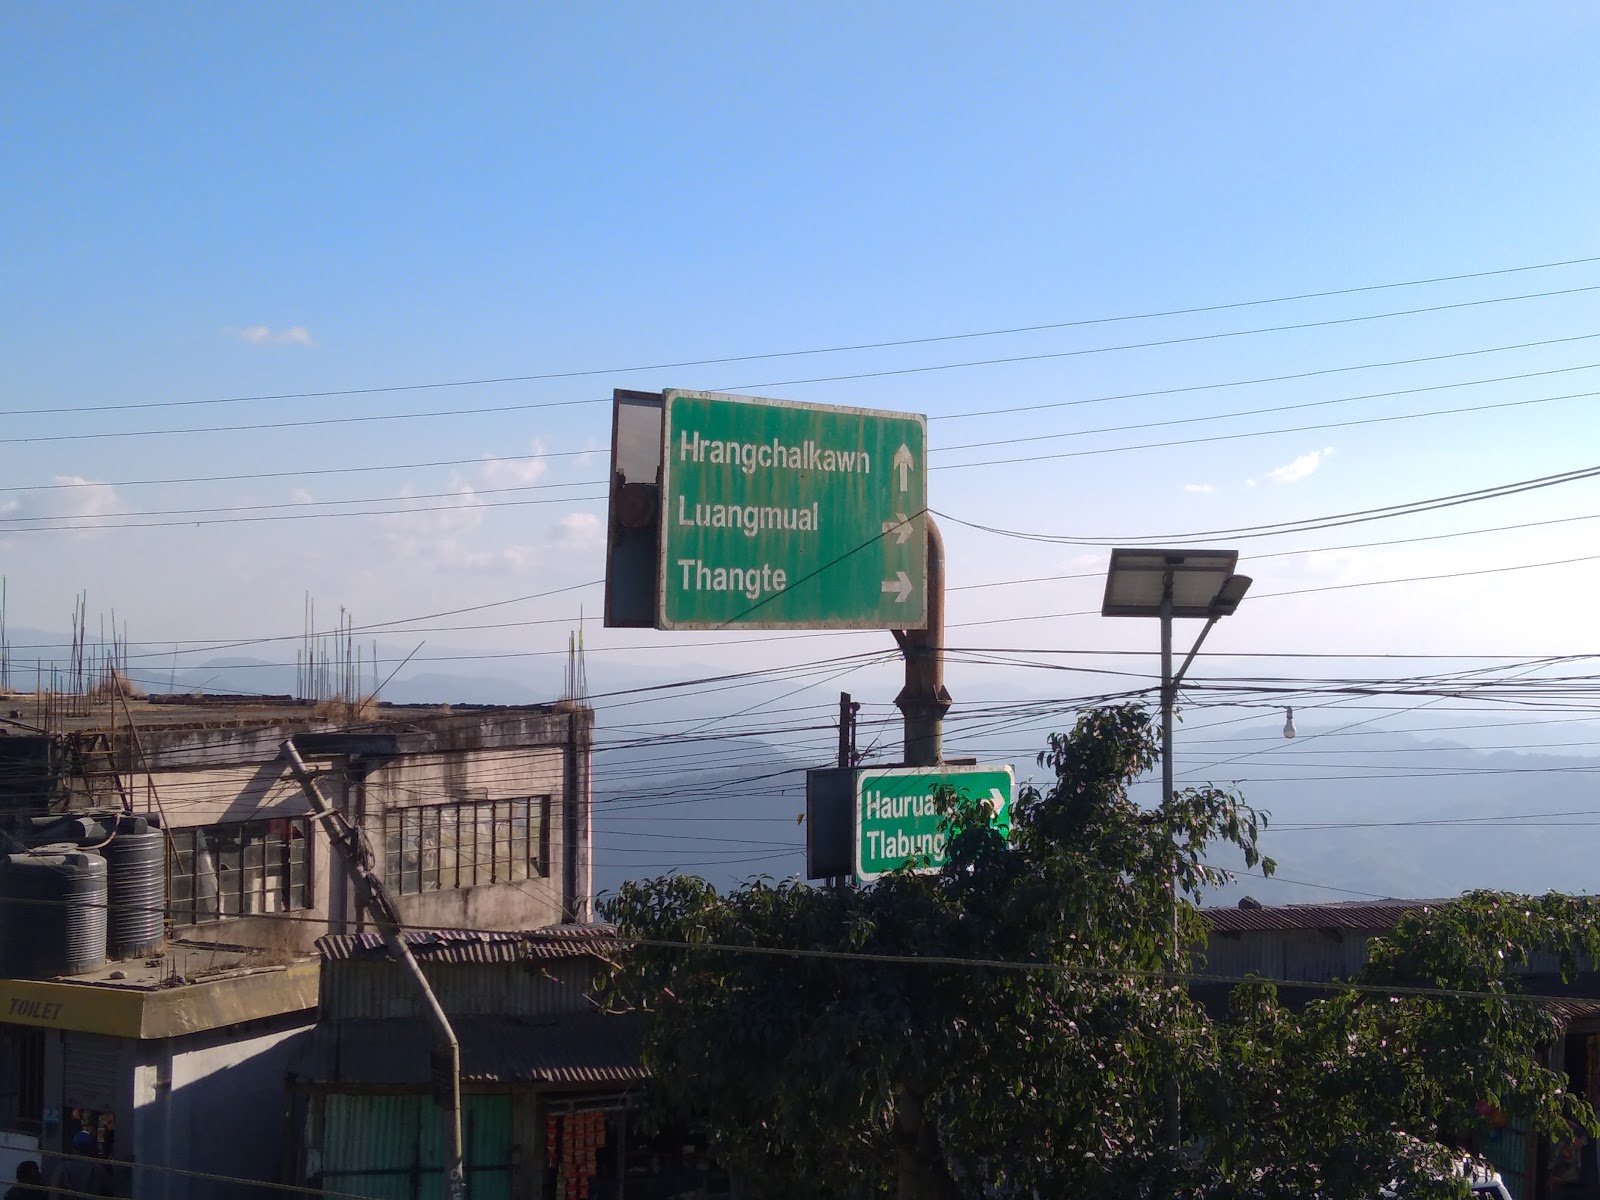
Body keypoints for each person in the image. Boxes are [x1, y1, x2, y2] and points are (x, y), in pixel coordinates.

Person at [46, 1132, 106, 1200]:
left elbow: (54, 1195)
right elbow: (108, 1193)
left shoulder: (63, 1168)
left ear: (73, 1149)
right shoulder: (98, 1169)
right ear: (92, 1150)